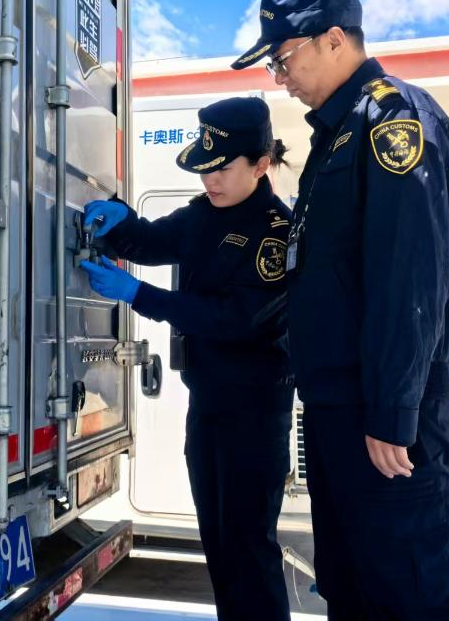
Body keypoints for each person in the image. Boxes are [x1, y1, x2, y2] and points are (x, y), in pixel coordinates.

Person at [232, 0, 449, 620]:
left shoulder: (394, 120)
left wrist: (392, 411)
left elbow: (409, 276)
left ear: (334, 40)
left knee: (407, 593)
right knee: (350, 585)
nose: (280, 77)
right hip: (337, 410)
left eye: (284, 59)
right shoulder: (335, 137)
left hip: (381, 420)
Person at [80, 97, 294, 621]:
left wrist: (138, 294)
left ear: (261, 164)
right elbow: (154, 241)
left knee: (248, 549)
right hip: (209, 408)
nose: (209, 180)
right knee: (218, 545)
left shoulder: (275, 232)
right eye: (204, 169)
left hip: (253, 414)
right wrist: (121, 223)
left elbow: (234, 319)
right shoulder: (204, 213)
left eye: (222, 169)